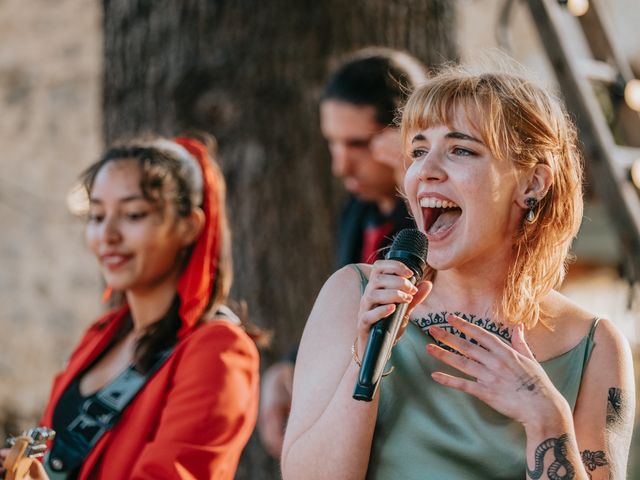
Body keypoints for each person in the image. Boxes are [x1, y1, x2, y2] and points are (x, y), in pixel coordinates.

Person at [281, 66, 635, 479]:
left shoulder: (594, 345)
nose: (425, 170)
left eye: (460, 150)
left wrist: (547, 420)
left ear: (532, 183)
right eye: (417, 151)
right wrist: (363, 360)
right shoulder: (353, 295)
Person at [1, 135, 260, 479]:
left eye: (133, 215)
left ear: (188, 226)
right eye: (96, 215)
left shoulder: (218, 351)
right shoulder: (99, 336)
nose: (107, 234)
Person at [257, 48, 428, 459]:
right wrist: (289, 367)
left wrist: (417, 167)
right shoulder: (357, 212)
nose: (340, 166)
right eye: (333, 143)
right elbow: (347, 313)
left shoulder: (434, 220)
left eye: (357, 144)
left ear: (403, 135)